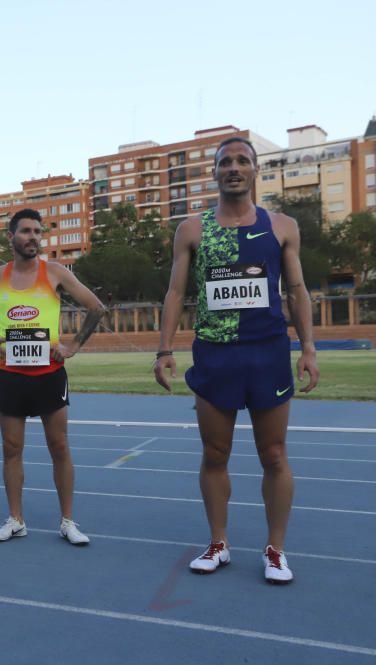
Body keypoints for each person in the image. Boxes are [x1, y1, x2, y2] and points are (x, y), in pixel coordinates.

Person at [154, 137, 319, 584]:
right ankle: (218, 543)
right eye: (224, 161)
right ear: (214, 172)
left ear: (254, 170)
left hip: (267, 353)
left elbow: (298, 290)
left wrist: (307, 349)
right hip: (214, 354)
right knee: (214, 453)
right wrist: (165, 349)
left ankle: (275, 549)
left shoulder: (282, 225)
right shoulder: (191, 229)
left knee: (275, 453)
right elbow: (174, 292)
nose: (233, 167)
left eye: (242, 160)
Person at [0, 208, 105, 547]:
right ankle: (16, 520)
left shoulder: (54, 272)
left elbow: (96, 307)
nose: (33, 237)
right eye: (26, 231)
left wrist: (72, 345)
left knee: (59, 447)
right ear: (11, 237)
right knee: (12, 449)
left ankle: (68, 521)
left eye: (38, 231)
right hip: (10, 375)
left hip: (50, 374)